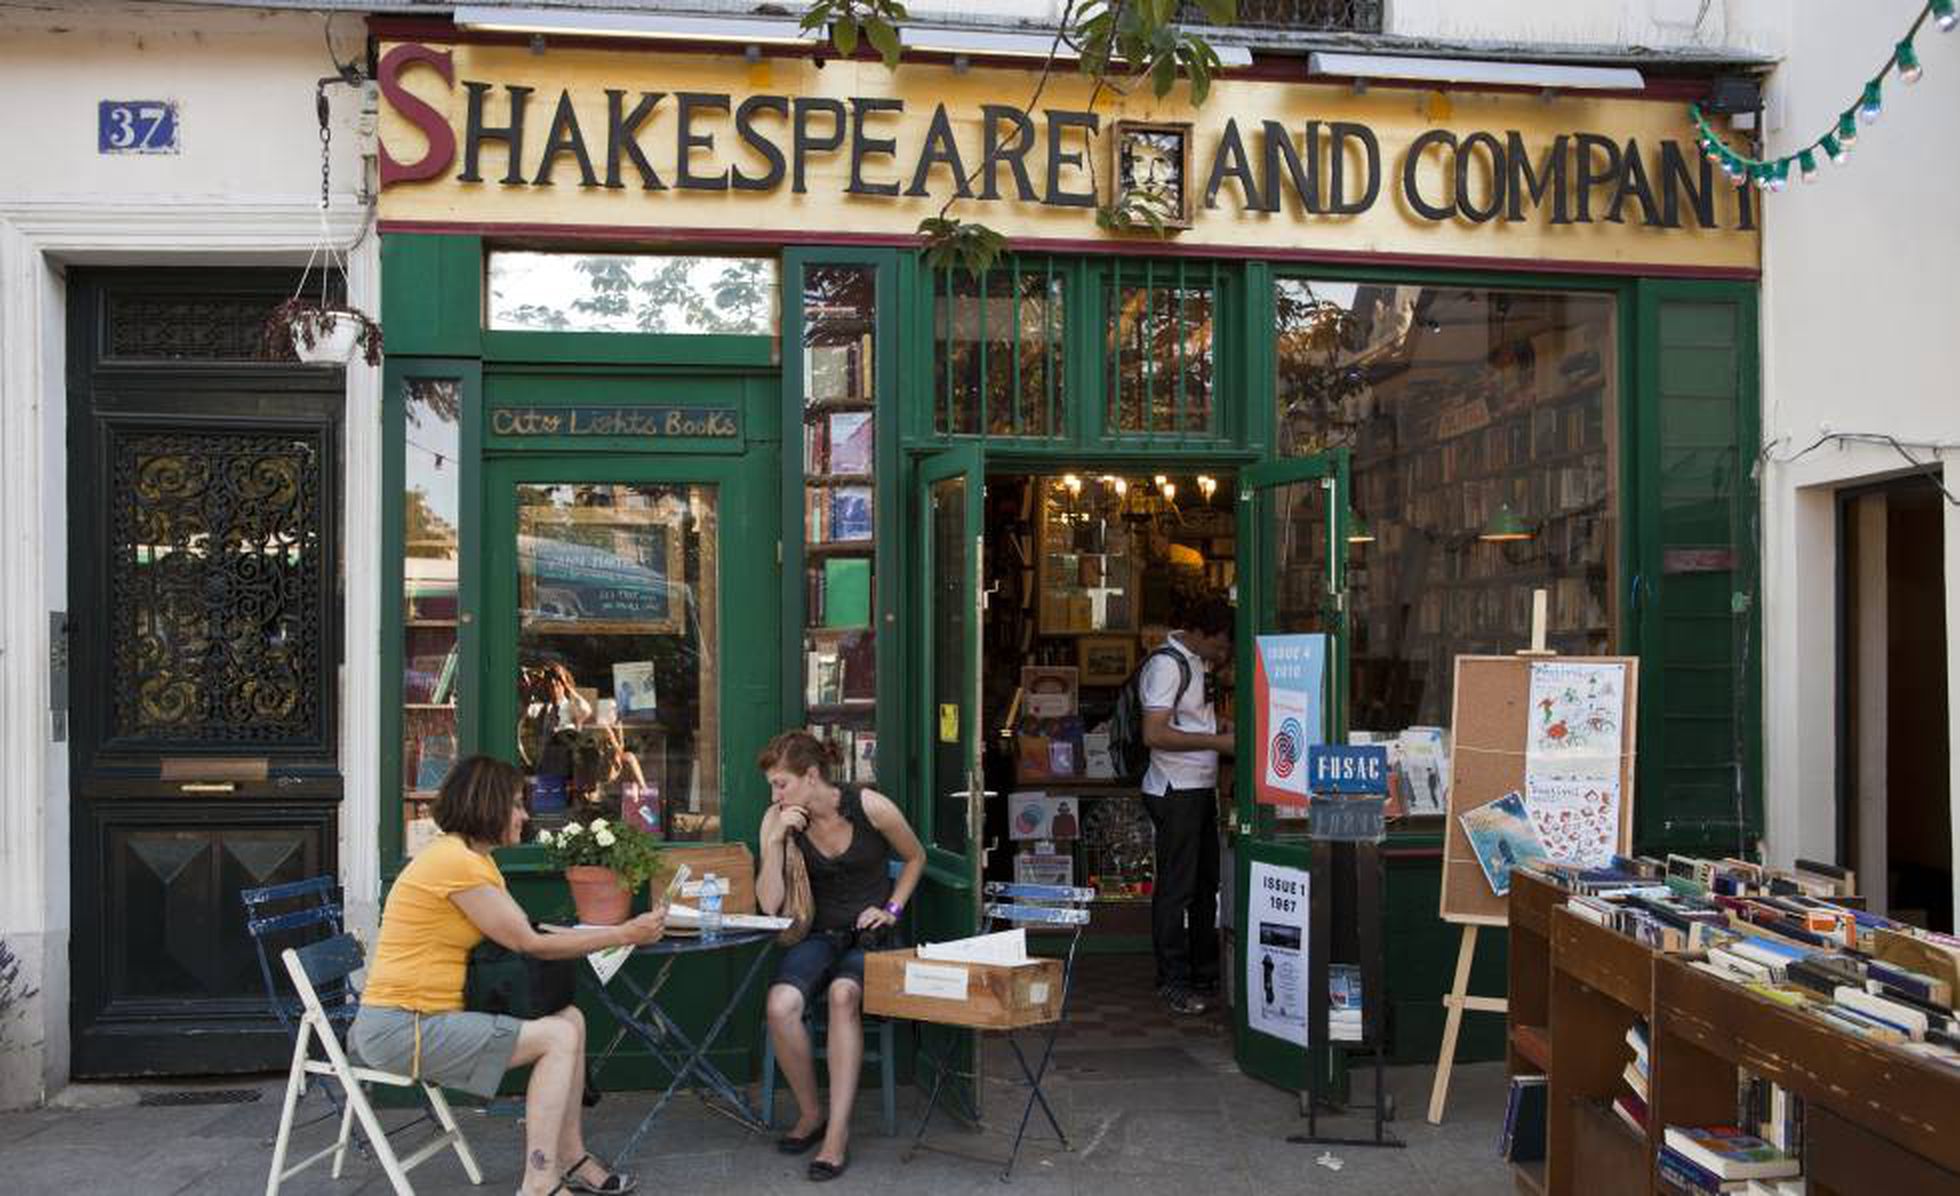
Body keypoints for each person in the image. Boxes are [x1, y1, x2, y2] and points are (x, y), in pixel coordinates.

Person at [351, 755, 667, 1196]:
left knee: (570, 1020)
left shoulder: (470, 859)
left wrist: (611, 933)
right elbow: (528, 943)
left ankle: (570, 1158)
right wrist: (624, 932)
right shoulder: (455, 863)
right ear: (488, 805)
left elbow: (526, 929)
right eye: (517, 805)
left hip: (424, 1019)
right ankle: (539, 1182)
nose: (524, 815)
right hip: (406, 1026)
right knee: (557, 1037)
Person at [755, 731, 925, 1183]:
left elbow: (915, 858)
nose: (775, 795)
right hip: (815, 934)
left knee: (844, 995)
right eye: (772, 786)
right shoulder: (777, 819)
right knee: (780, 1006)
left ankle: (837, 1133)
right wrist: (774, 843)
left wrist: (890, 908)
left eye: (781, 783)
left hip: (869, 935)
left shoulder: (871, 807)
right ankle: (811, 1115)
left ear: (811, 776)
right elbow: (770, 905)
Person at [1139, 597, 1236, 1016]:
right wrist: (1216, 742)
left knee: (1204, 884)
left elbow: (1190, 719)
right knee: (1178, 887)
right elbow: (1155, 734)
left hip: (1198, 786)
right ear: (1199, 633)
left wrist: (1218, 727)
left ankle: (1202, 970)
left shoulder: (1197, 661)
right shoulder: (1166, 665)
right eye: (1220, 645)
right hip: (1175, 788)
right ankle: (1172, 979)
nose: (1223, 655)